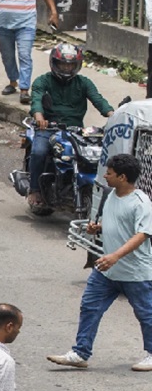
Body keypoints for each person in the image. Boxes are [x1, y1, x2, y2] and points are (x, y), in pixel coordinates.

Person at [47, 154, 152, 372]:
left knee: (146, 314)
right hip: (107, 270)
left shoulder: (141, 203)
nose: (106, 176)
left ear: (123, 177)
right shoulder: (112, 195)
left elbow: (142, 234)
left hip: (135, 272)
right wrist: (99, 228)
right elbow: (117, 223)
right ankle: (80, 352)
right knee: (90, 306)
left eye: (110, 173)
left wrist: (115, 256)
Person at [23, 44, 114, 209]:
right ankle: (34, 189)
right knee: (39, 152)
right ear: (54, 63)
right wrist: (39, 117)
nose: (66, 68)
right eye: (63, 64)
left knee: (93, 157)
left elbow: (99, 100)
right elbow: (36, 99)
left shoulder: (84, 83)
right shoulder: (42, 81)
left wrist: (113, 115)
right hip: (48, 128)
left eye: (70, 65)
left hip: (76, 130)